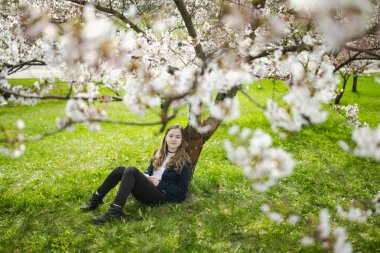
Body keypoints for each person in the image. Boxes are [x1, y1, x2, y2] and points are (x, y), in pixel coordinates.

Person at [80, 124, 191, 224]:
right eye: (171, 136)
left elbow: (182, 193)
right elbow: (149, 170)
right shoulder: (158, 152)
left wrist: (159, 184)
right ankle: (95, 199)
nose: (173, 139)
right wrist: (146, 175)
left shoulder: (184, 163)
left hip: (160, 196)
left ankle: (114, 211)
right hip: (148, 188)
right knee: (120, 170)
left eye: (178, 137)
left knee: (131, 170)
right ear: (166, 137)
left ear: (182, 140)